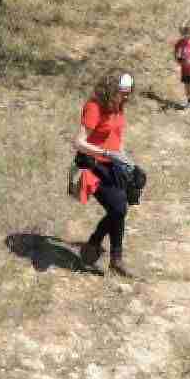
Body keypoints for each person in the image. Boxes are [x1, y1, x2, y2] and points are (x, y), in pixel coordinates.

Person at [72, 72, 137, 277]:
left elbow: (117, 137)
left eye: (128, 93)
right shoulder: (94, 107)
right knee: (118, 207)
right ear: (111, 90)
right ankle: (110, 254)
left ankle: (100, 248)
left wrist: (129, 163)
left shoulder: (118, 107)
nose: (126, 98)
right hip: (93, 165)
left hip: (114, 165)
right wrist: (105, 153)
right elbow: (79, 142)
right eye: (123, 93)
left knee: (120, 209)